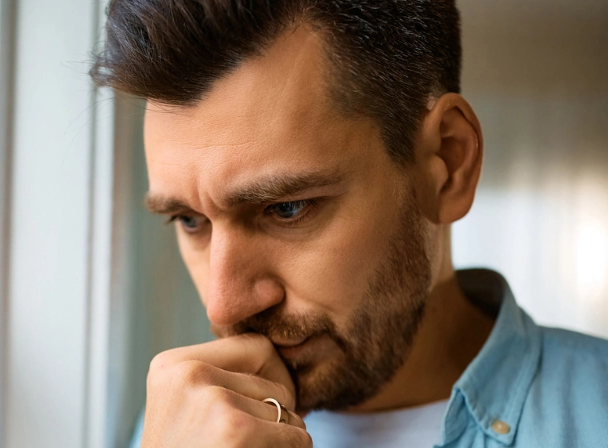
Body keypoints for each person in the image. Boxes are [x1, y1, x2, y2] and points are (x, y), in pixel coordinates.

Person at [90, 1, 608, 447]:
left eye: (287, 208)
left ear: (447, 165)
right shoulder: (177, 428)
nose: (224, 304)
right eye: (189, 219)